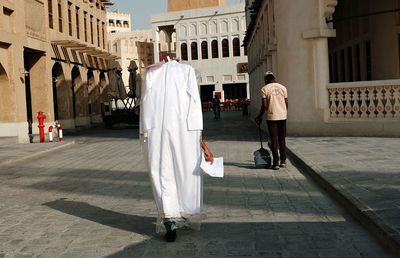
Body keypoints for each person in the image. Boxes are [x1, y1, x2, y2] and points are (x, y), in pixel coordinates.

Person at [140, 60, 214, 242]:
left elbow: (145, 102)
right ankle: (184, 209)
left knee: (162, 173)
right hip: (184, 128)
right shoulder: (187, 71)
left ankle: (169, 217)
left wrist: (144, 128)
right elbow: (194, 102)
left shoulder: (151, 73)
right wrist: (198, 131)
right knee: (185, 169)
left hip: (156, 130)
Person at [255, 71, 288, 170]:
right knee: (282, 139)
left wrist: (259, 116)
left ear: (266, 80)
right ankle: (283, 160)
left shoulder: (264, 89)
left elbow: (264, 105)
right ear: (274, 78)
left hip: (272, 117)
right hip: (282, 116)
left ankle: (276, 163)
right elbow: (286, 103)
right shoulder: (283, 87)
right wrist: (284, 112)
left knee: (274, 139)